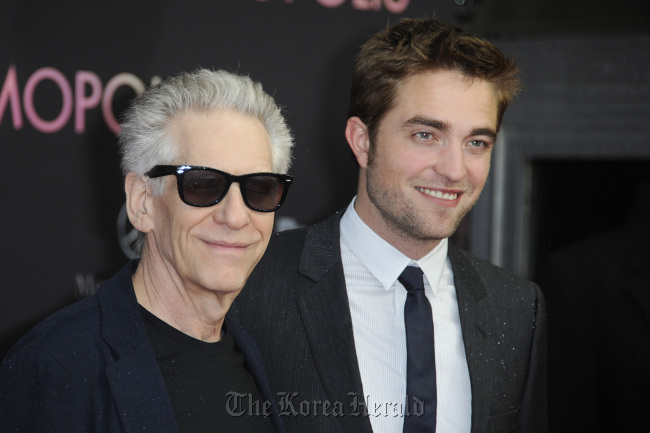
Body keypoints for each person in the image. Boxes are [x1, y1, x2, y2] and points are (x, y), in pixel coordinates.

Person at [232, 18, 547, 433]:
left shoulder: (517, 308)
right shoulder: (252, 285)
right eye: (425, 135)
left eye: (476, 143)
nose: (455, 170)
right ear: (363, 141)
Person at [0, 69, 294, 433]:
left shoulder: (260, 353)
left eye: (259, 188)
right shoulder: (56, 368)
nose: (235, 217)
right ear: (142, 201)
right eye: (203, 185)